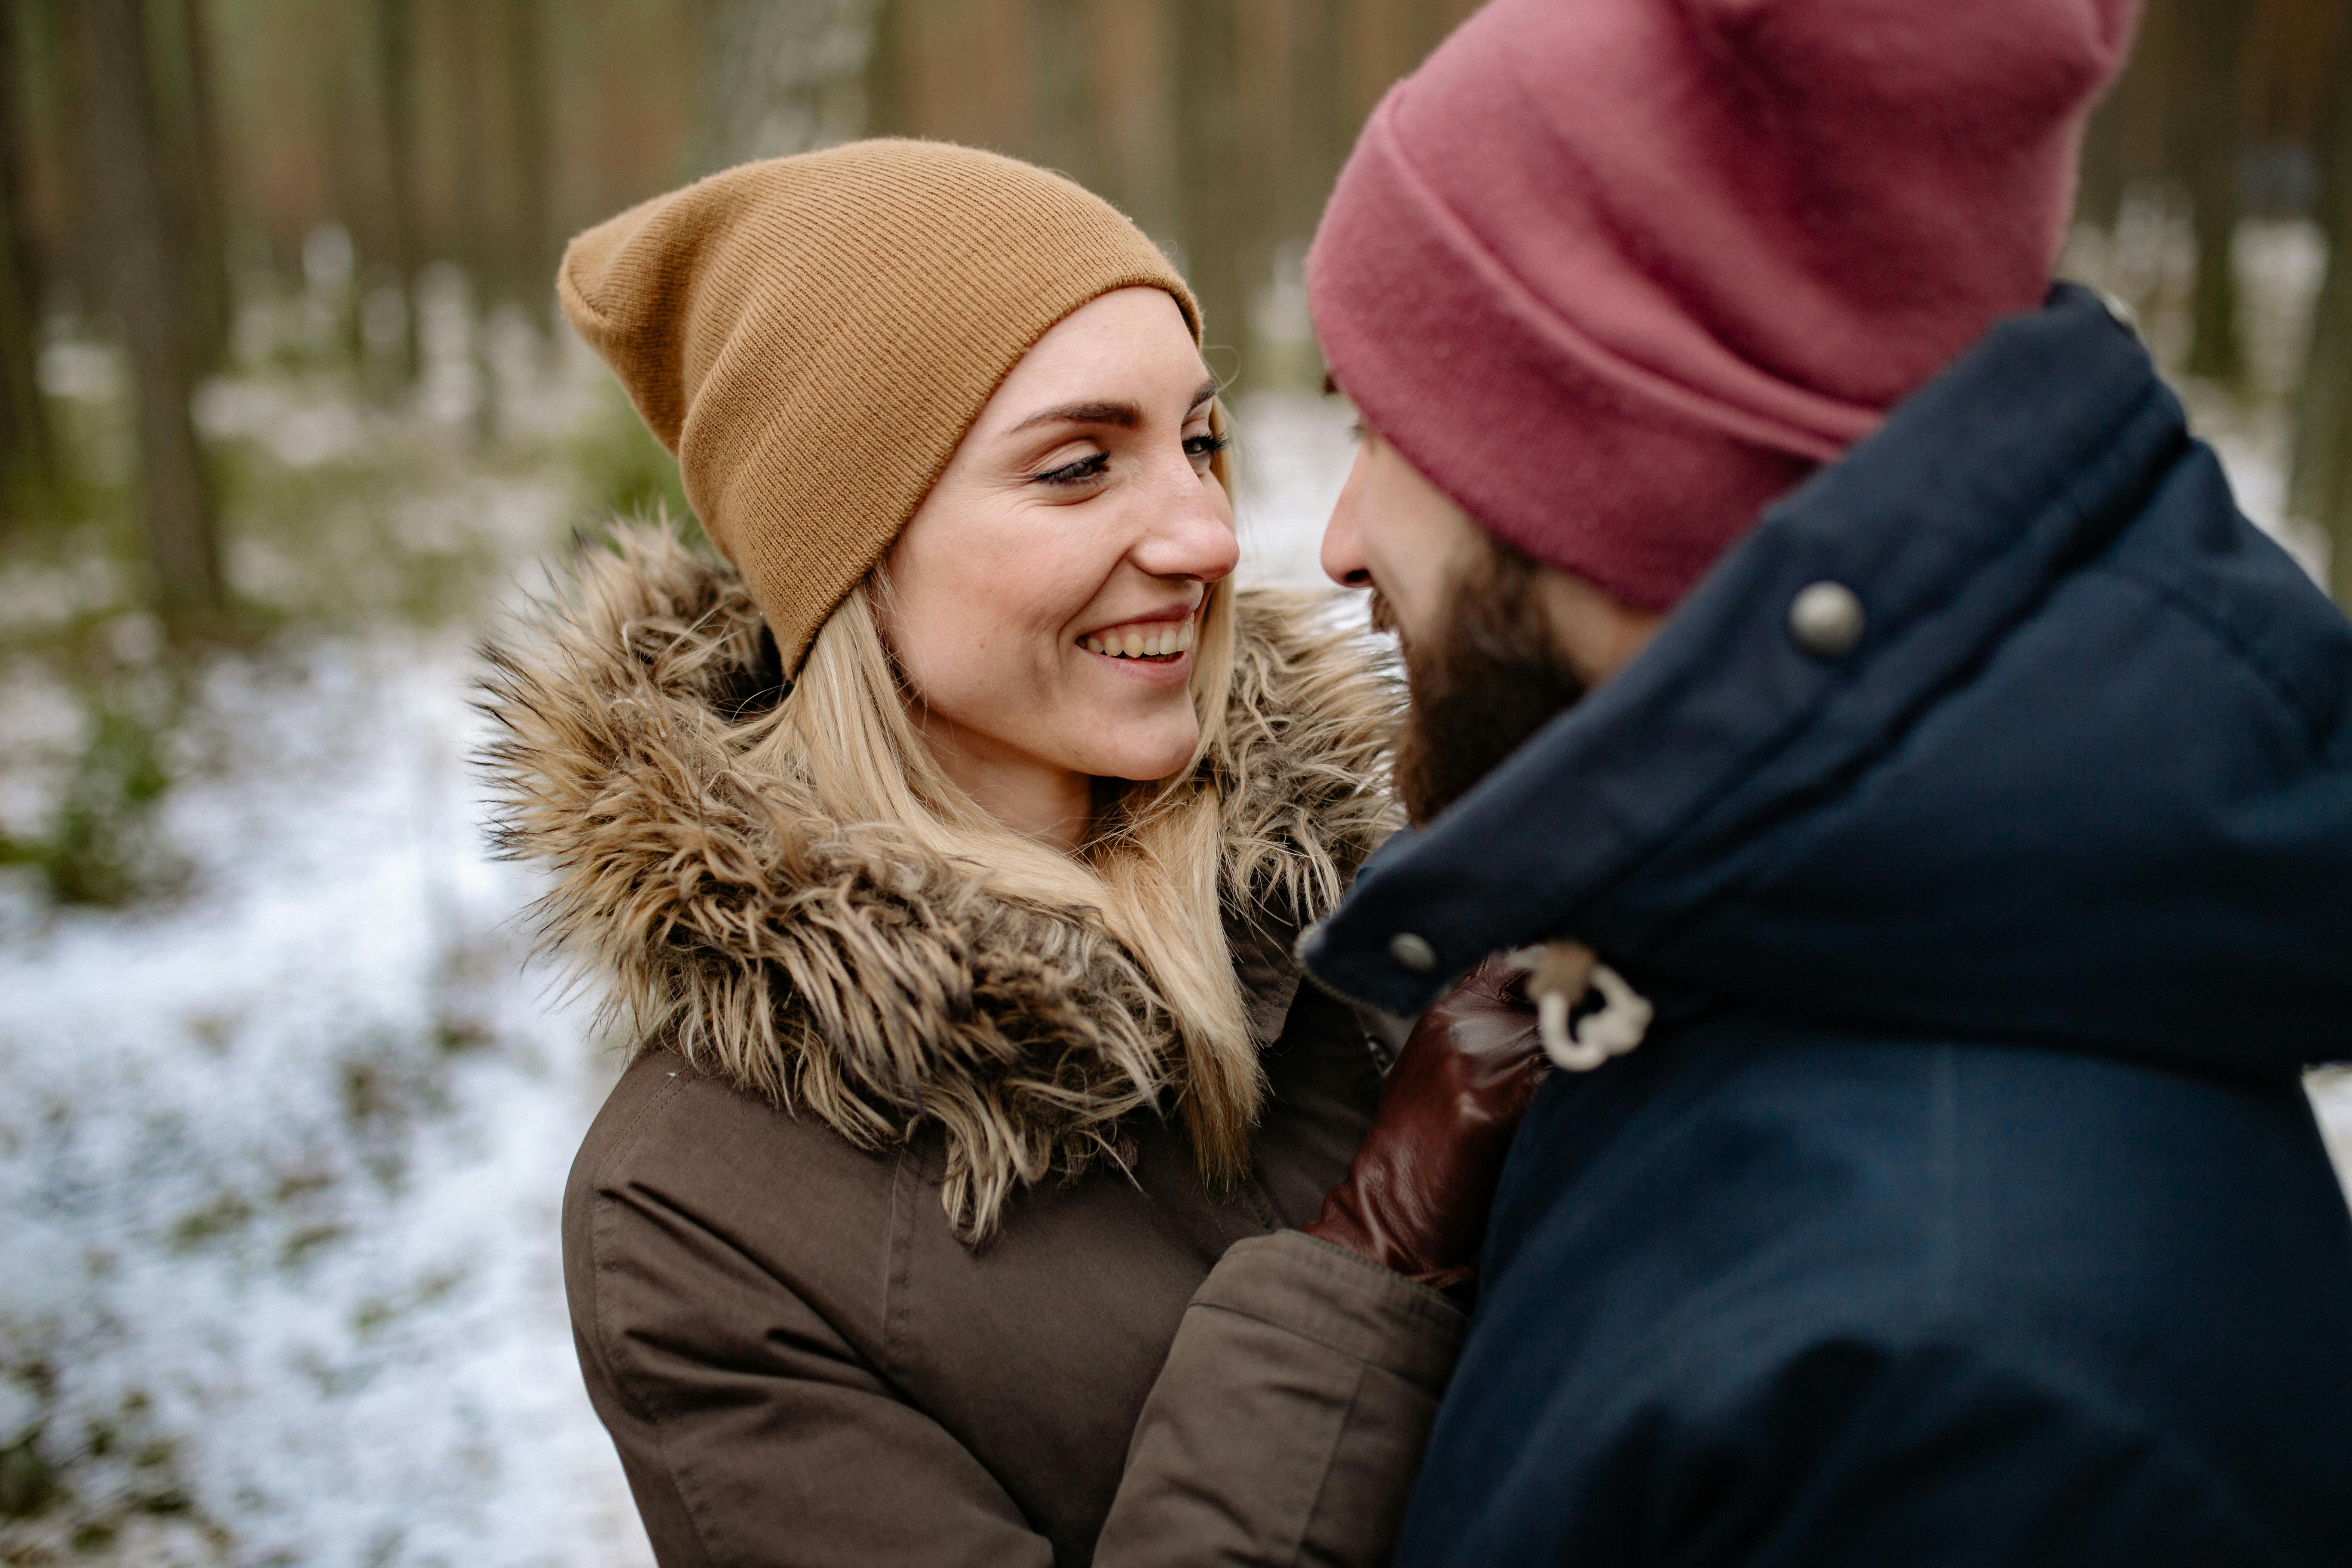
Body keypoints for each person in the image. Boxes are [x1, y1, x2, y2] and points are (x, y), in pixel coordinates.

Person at [1271, 0, 2352, 1559]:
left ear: (1617, 473)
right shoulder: (1723, 967)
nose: (1336, 539)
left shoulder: (1972, 1388)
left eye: (1389, 427)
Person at [482, 140, 1546, 1568]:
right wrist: (1373, 1257)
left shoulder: (1373, 914)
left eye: (1201, 443)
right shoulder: (697, 1214)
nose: (1208, 534)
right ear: (854, 554)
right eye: (1076, 468)